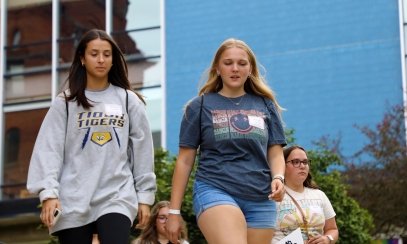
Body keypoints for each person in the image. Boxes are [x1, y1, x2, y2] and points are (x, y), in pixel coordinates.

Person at [27, 29, 156, 244]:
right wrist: (48, 194)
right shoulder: (65, 103)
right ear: (82, 58)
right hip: (73, 198)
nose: (101, 60)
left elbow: (142, 151)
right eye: (94, 54)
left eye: (107, 54)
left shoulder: (128, 100)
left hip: (117, 195)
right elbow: (48, 150)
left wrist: (144, 197)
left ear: (114, 60)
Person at [166, 38, 287, 244]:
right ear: (217, 68)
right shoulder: (199, 106)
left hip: (260, 198)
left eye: (242, 63)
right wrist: (174, 211)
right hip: (215, 189)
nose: (235, 68)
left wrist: (279, 178)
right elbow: (185, 161)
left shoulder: (266, 105)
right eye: (228, 62)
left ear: (250, 69)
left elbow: (275, 151)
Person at [272, 145, 339, 244]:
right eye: (296, 162)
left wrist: (327, 239)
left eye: (305, 162)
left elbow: (333, 229)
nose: (302, 166)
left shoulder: (319, 195)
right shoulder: (275, 194)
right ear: (282, 166)